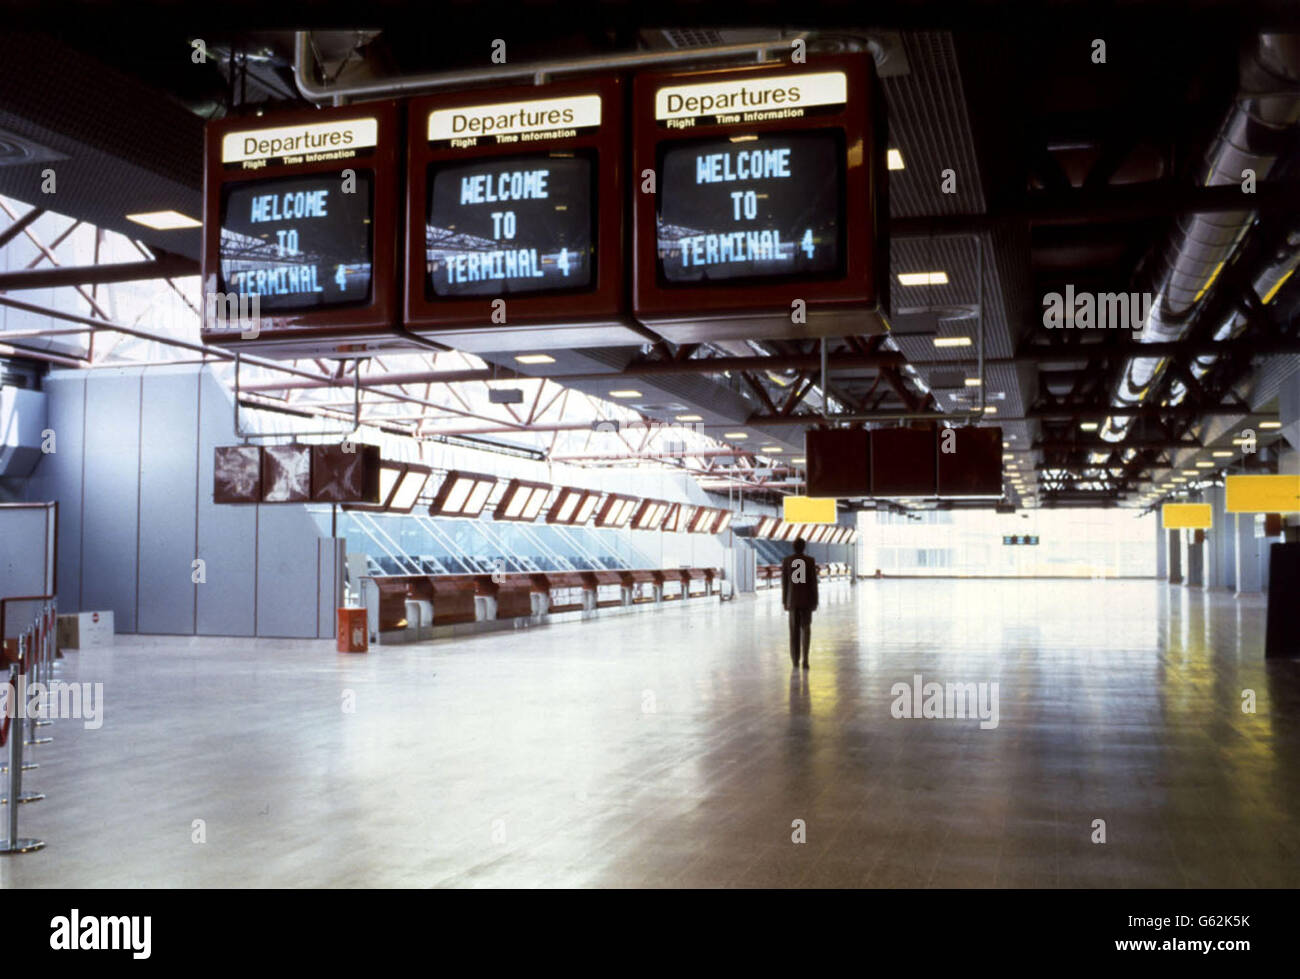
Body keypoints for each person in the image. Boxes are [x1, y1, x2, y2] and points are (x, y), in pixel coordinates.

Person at [781, 537, 818, 669]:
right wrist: (815, 601)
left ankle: (795, 660)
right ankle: (806, 660)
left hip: (793, 601)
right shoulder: (810, 561)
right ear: (804, 547)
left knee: (794, 631)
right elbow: (813, 583)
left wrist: (785, 601)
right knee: (806, 629)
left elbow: (785, 584)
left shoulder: (787, 561)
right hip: (807, 601)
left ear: (793, 547)